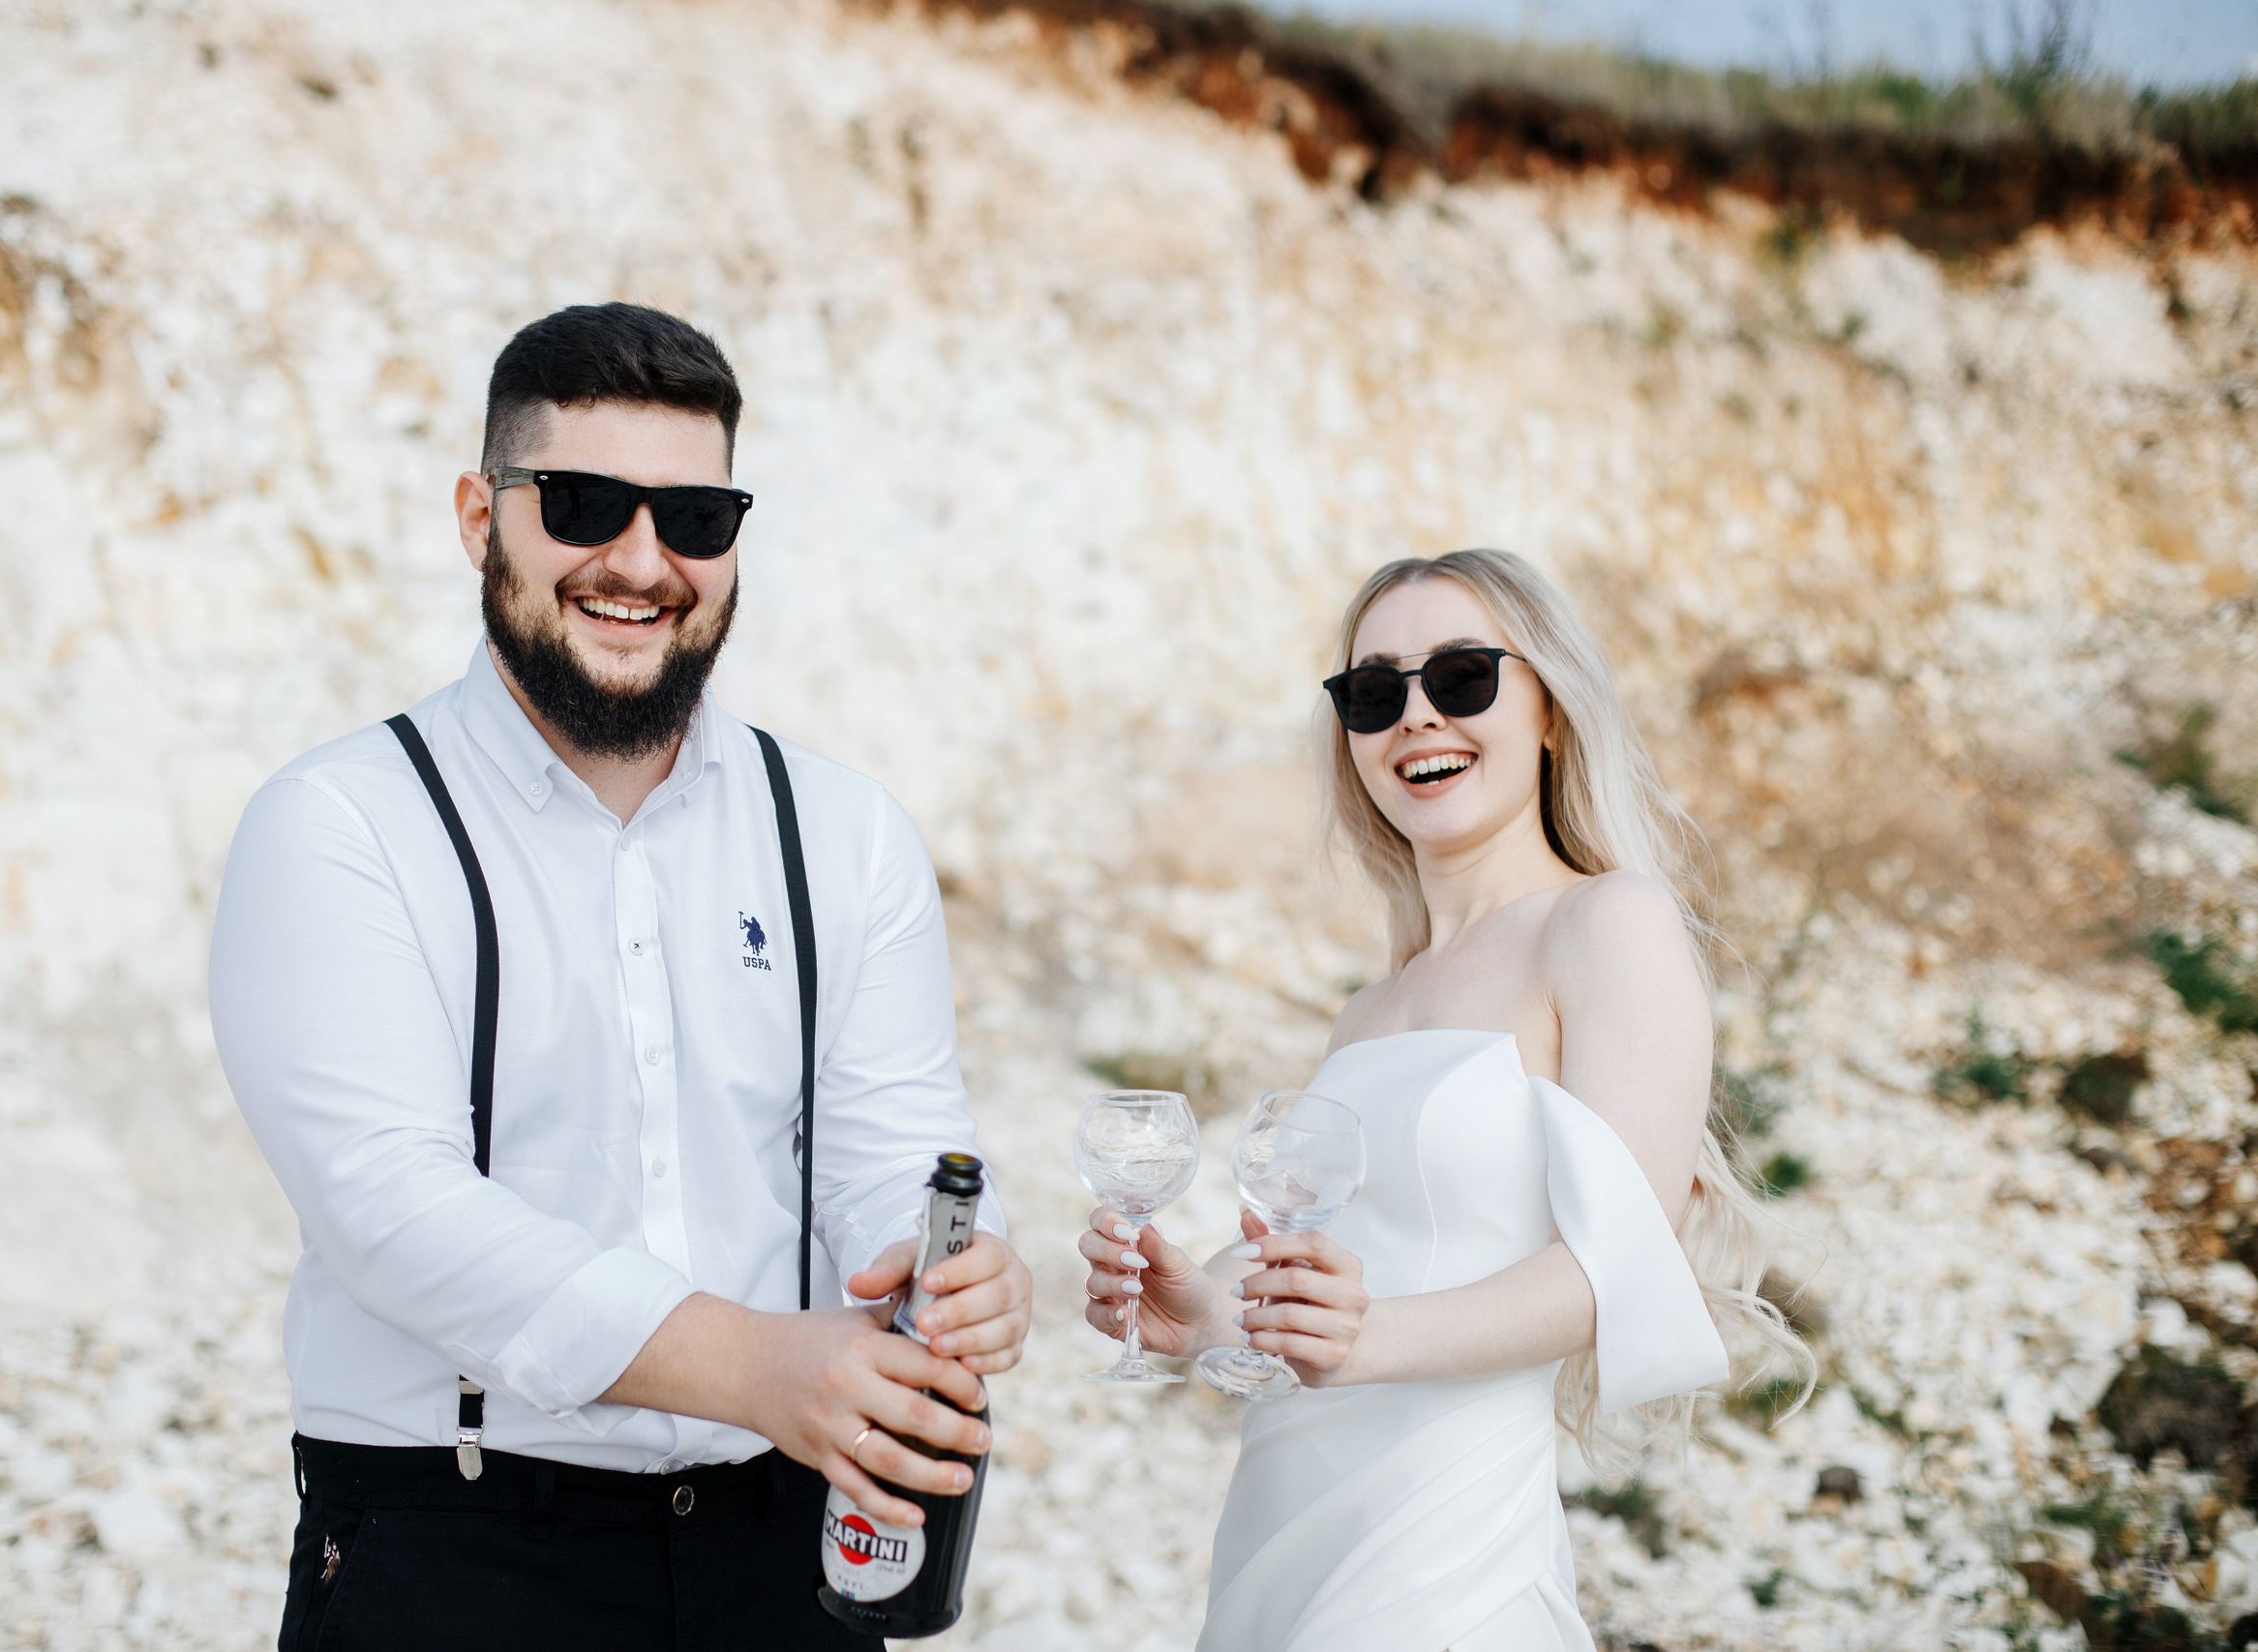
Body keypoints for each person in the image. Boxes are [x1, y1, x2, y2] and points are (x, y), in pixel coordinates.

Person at [211, 303, 1033, 1651]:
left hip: (791, 1549)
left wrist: (962, 1262)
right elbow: (391, 1208)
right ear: (482, 514)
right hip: (456, 1550)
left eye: (695, 517)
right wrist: (761, 1364)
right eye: (586, 503)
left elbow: (900, 1145)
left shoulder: (846, 827)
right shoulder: (339, 821)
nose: (642, 560)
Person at [1077, 550, 1812, 1650]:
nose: (1416, 716)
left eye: (1461, 677)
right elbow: (1307, 1274)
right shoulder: (1366, 1011)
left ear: (1552, 712)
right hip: (1282, 1518)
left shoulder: (1608, 924)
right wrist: (1195, 1313)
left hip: (1446, 1549)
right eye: (1374, 694)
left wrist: (1367, 1342)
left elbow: (1618, 1268)